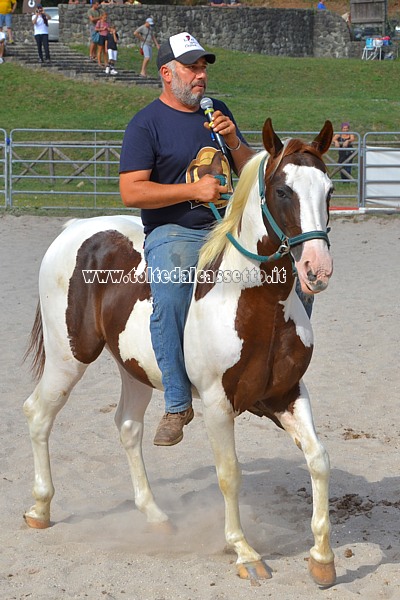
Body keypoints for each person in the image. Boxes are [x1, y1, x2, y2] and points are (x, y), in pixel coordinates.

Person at [119, 31, 254, 447]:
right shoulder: (146, 124)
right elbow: (131, 191)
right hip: (174, 230)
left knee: (287, 271)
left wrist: (233, 141)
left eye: (203, 68)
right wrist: (191, 191)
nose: (201, 75)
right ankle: (177, 403)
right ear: (166, 73)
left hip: (228, 226)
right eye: (192, 67)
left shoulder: (218, 113)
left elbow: (252, 170)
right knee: (172, 294)